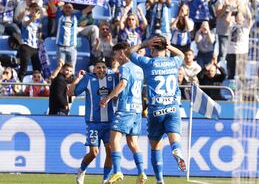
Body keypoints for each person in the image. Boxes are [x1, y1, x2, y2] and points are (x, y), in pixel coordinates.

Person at [128, 35, 187, 184]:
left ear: (152, 48)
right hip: (173, 107)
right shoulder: (174, 62)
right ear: (165, 48)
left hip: (156, 109)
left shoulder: (148, 63)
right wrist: (169, 46)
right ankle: (176, 149)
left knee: (155, 146)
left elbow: (129, 52)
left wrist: (144, 43)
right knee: (174, 139)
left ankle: (160, 180)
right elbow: (181, 54)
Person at [99, 42, 147, 184]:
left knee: (114, 138)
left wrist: (108, 97)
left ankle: (118, 171)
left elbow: (123, 84)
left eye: (115, 53)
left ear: (121, 52)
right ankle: (142, 173)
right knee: (132, 142)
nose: (115, 57)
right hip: (137, 109)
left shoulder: (125, 67)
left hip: (126, 108)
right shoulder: (139, 69)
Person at [71, 60, 116, 184]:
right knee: (94, 153)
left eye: (103, 67)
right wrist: (77, 78)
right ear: (94, 70)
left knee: (110, 151)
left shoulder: (113, 77)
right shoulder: (88, 79)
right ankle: (81, 170)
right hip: (93, 123)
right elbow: (71, 92)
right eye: (98, 68)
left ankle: (105, 179)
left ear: (106, 69)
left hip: (109, 123)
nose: (101, 70)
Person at [18, 2, 42, 81]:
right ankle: (19, 85)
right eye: (32, 10)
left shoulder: (39, 21)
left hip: (35, 47)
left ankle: (37, 86)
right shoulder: (26, 18)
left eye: (35, 10)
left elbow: (39, 33)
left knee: (38, 69)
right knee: (23, 68)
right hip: (25, 46)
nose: (33, 12)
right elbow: (25, 24)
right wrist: (32, 19)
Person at [55, 3, 78, 74]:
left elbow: (88, 9)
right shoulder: (59, 15)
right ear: (63, 8)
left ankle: (71, 84)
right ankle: (60, 83)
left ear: (73, 9)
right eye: (66, 7)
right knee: (60, 68)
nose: (67, 9)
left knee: (72, 69)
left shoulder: (76, 16)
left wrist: (96, 1)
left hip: (72, 47)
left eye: (69, 7)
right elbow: (51, 5)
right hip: (61, 47)